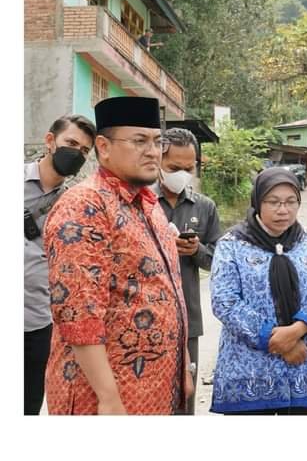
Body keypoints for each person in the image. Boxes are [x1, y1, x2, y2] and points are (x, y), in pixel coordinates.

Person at [43, 96, 193, 415]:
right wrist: (108, 397)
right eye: (139, 141)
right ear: (104, 147)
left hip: (155, 389)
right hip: (103, 397)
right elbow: (78, 312)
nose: (152, 151)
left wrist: (183, 367)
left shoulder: (148, 205)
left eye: (157, 142)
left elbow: (169, 290)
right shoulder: (85, 205)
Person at [209, 167, 307, 415]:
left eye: (291, 202)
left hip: (305, 368)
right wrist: (278, 340)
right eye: (273, 202)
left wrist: (297, 330)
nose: (283, 210)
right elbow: (225, 301)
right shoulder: (232, 244)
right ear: (257, 202)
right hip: (250, 372)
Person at [24, 115, 96, 415]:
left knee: (28, 405)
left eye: (84, 150)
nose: (76, 153)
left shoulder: (74, 203)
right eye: (71, 143)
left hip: (39, 322)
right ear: (50, 141)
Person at [152, 127, 222, 415]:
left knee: (185, 395)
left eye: (188, 168)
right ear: (158, 161)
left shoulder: (204, 207)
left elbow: (217, 260)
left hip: (187, 320)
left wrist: (196, 250)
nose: (181, 174)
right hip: (146, 319)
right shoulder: (140, 202)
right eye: (173, 168)